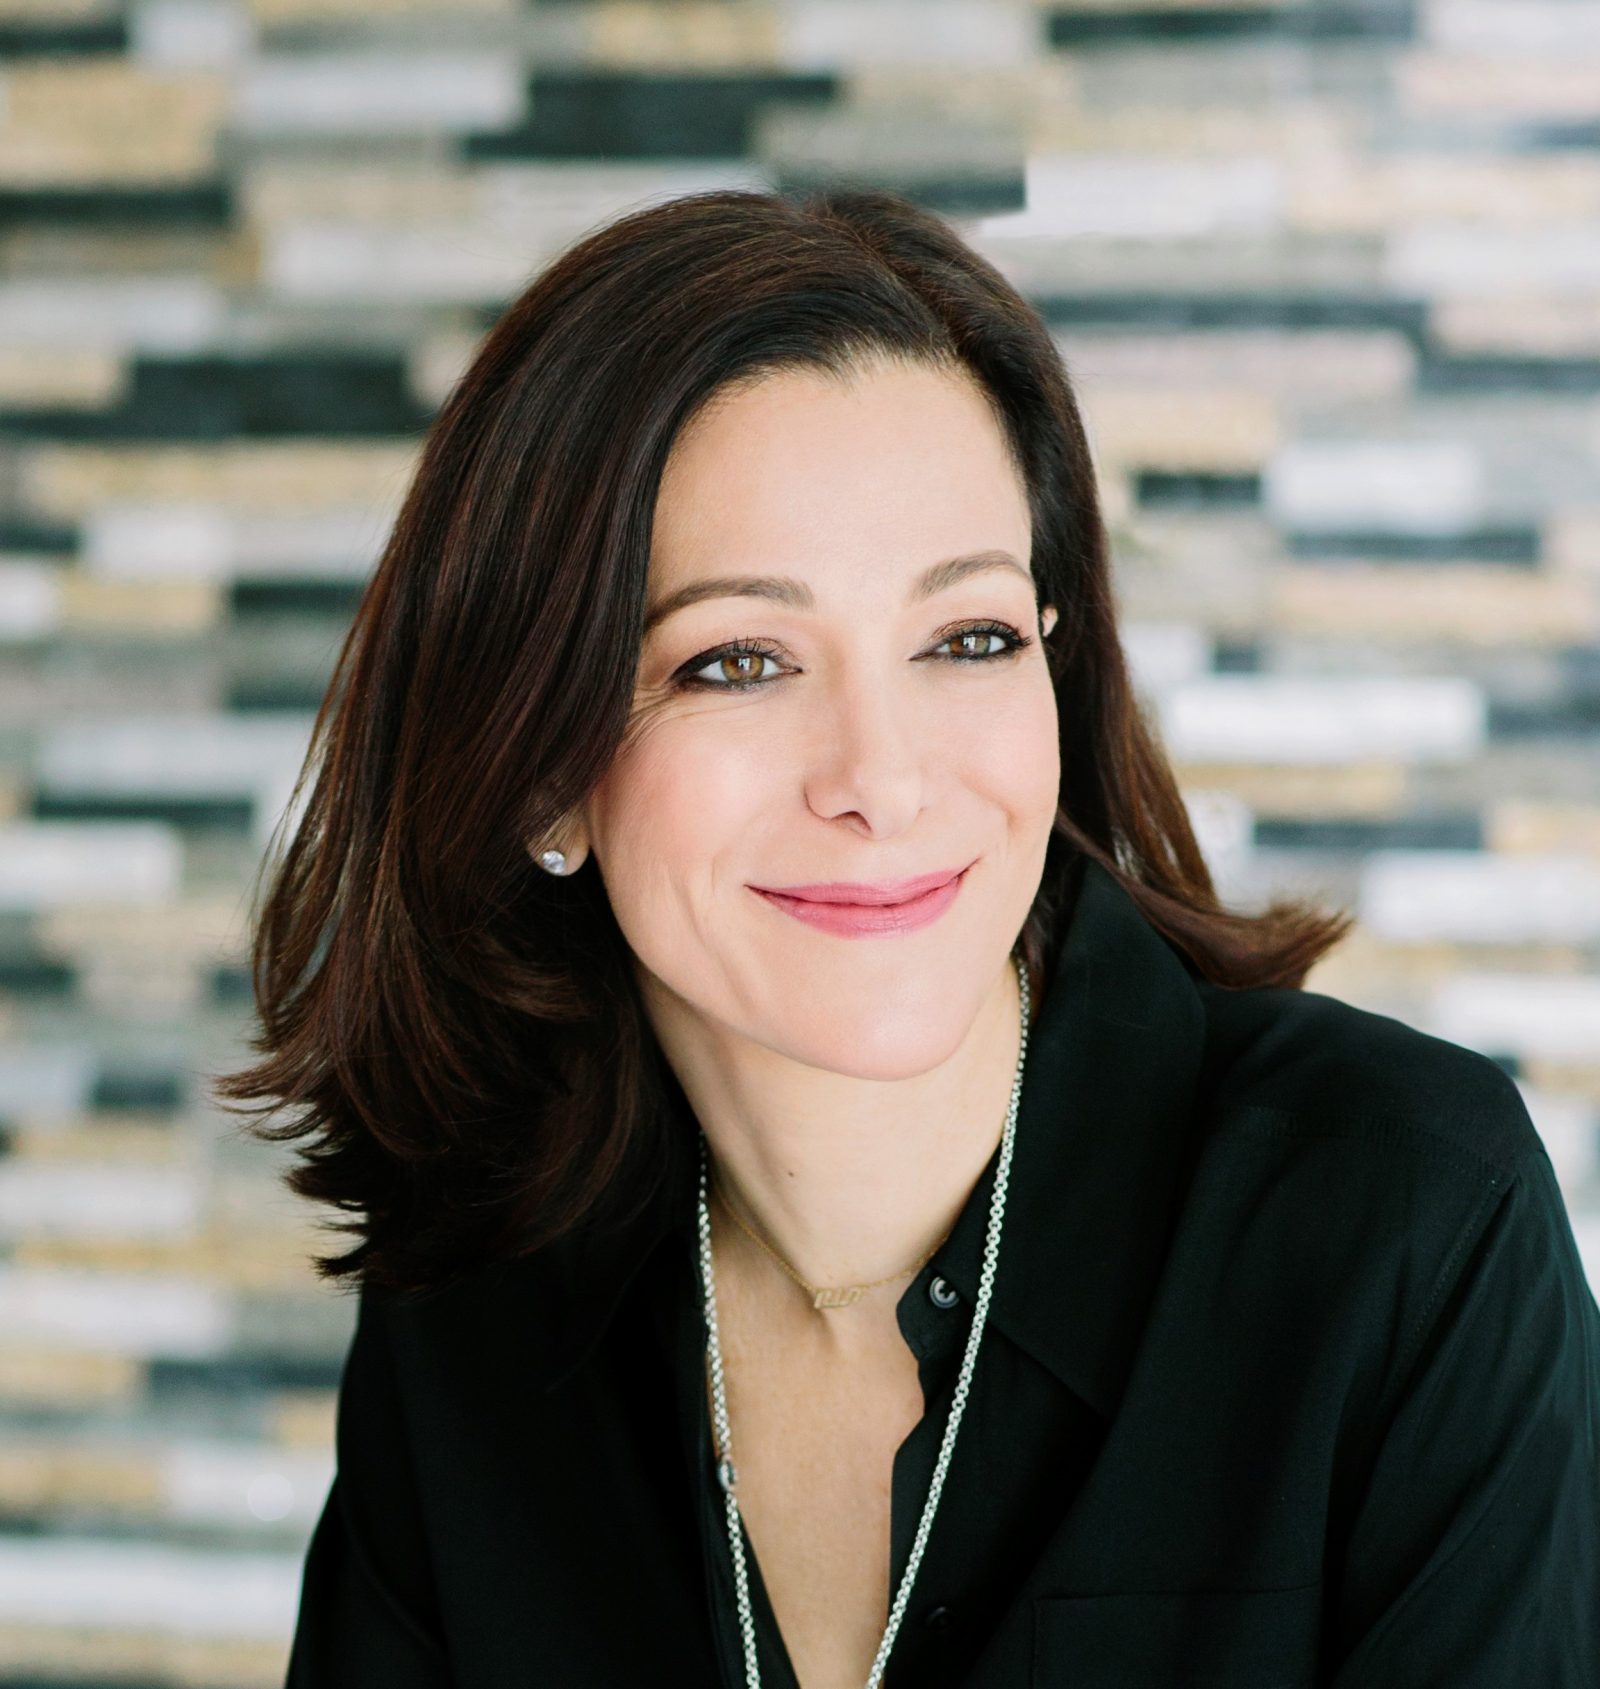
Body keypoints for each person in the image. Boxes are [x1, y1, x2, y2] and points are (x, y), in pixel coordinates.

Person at [213, 186, 1600, 1689]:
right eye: (740, 660)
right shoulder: (475, 1303)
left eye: (968, 638)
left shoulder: (1407, 1225)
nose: (881, 780)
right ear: (542, 767)